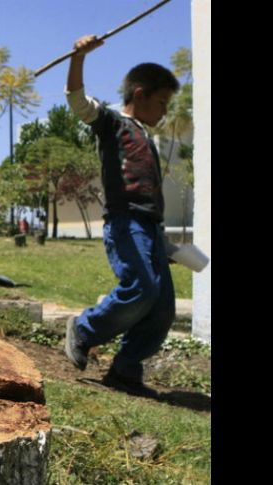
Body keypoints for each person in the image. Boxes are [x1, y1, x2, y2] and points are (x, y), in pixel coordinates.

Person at [63, 34, 180, 398]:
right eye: (161, 103)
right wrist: (78, 57)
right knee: (141, 288)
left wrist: (165, 242)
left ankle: (125, 370)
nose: (164, 111)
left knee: (162, 309)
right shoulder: (112, 122)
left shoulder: (147, 136)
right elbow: (78, 102)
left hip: (150, 226)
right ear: (140, 94)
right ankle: (84, 329)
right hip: (125, 222)